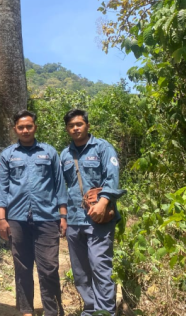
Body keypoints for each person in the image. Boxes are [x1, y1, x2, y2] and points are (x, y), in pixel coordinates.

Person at [0, 110, 67, 316]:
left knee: (49, 268)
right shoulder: (8, 154)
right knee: (23, 268)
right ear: (15, 129)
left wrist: (63, 216)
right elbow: (1, 188)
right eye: (21, 127)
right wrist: (1, 218)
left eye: (29, 126)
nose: (25, 130)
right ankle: (26, 310)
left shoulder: (50, 152)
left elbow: (59, 185)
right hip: (17, 219)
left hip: (47, 217)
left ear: (35, 127)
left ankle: (52, 310)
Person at [60, 109, 126, 316]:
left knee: (100, 267)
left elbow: (112, 177)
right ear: (67, 129)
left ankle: (105, 312)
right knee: (80, 271)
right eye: (71, 125)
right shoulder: (64, 154)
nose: (76, 128)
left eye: (79, 124)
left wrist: (104, 202)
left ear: (87, 125)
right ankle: (90, 310)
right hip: (73, 220)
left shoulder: (103, 148)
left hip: (98, 219)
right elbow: (62, 186)